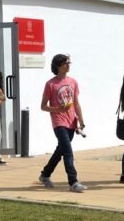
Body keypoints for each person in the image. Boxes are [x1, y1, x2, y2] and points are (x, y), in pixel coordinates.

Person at [38, 54, 88, 193]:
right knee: (68, 151)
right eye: (65, 63)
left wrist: (81, 120)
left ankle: (45, 174)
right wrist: (57, 109)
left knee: (61, 150)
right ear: (58, 66)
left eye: (69, 63)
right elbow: (43, 106)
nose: (68, 65)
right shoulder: (51, 84)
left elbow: (76, 103)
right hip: (59, 121)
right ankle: (73, 182)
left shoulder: (73, 82)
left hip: (71, 121)